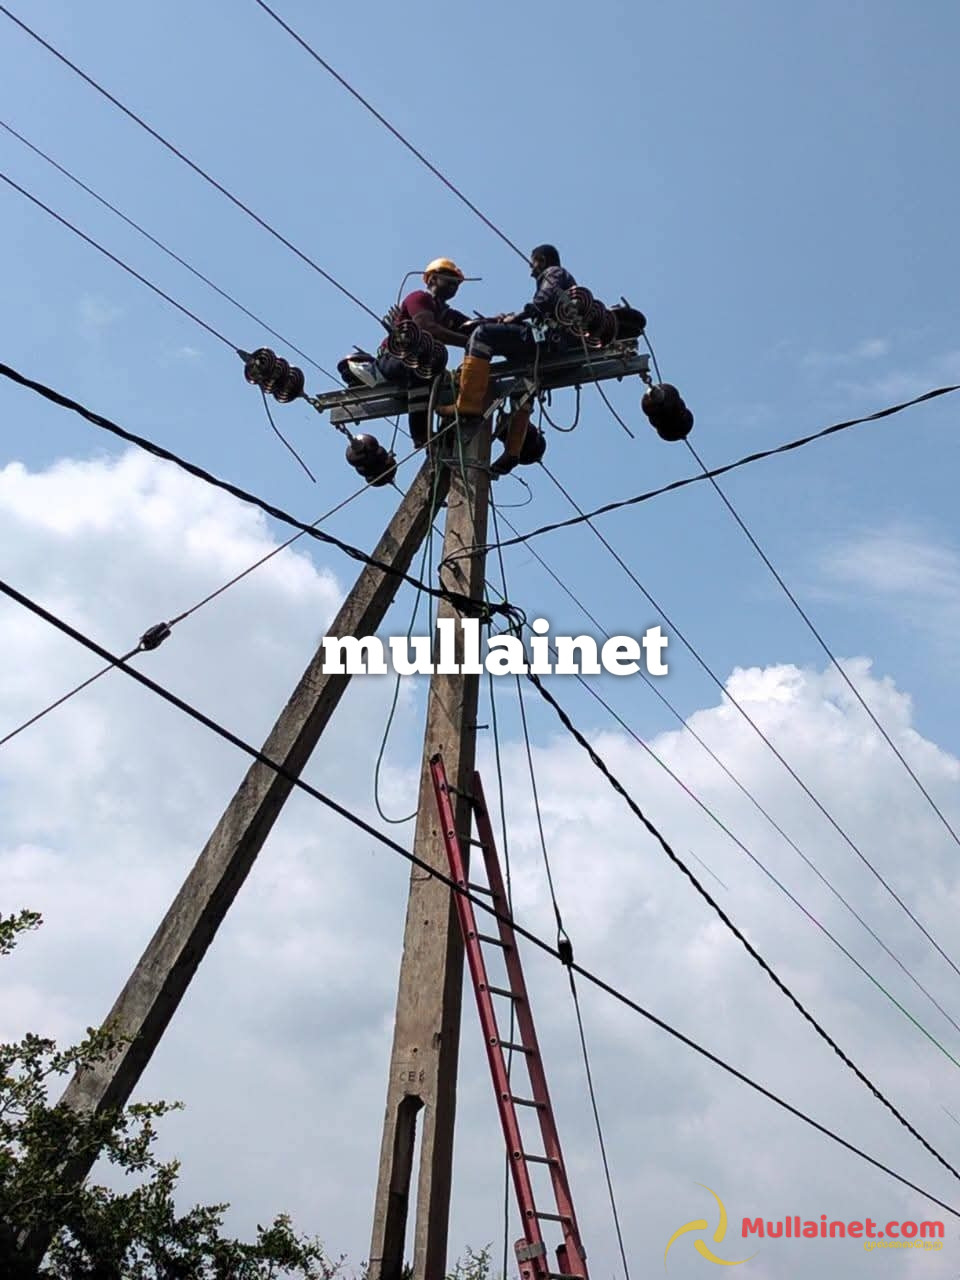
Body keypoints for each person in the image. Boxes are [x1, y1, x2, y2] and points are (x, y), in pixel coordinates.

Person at [448, 245, 577, 474]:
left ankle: (468, 402)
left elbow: (543, 301)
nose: (531, 271)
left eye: (533, 264)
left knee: (482, 335)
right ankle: (512, 452)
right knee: (522, 381)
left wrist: (516, 318)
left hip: (549, 341)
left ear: (542, 260)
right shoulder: (564, 282)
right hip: (554, 344)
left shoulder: (554, 273)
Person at [376, 258, 477, 447]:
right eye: (450, 280)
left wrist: (498, 323)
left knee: (437, 371)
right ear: (432, 279)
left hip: (418, 363)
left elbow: (475, 329)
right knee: (425, 361)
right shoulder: (419, 298)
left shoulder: (447, 314)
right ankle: (421, 435)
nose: (454, 286)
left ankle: (442, 429)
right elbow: (428, 328)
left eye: (457, 283)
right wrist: (469, 343)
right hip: (393, 359)